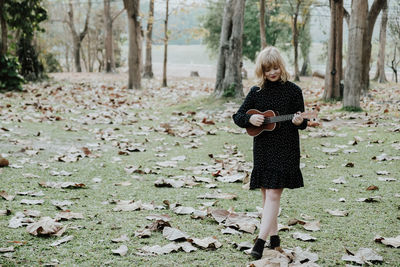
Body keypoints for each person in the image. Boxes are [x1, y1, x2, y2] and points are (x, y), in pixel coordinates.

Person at [232, 46, 308, 260]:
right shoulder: (256, 92)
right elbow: (238, 116)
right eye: (267, 70)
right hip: (264, 149)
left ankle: (260, 241)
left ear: (281, 66)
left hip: (286, 149)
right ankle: (274, 238)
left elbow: (302, 122)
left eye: (275, 68)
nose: (272, 73)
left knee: (274, 194)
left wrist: (300, 121)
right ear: (261, 71)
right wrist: (250, 119)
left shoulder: (294, 91)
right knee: (266, 194)